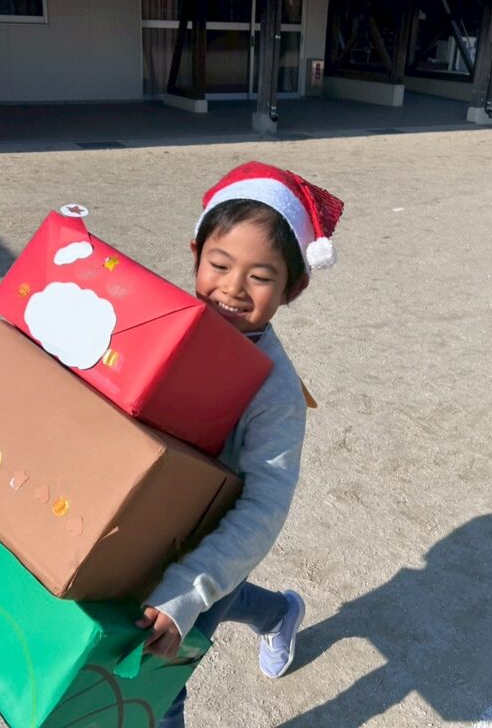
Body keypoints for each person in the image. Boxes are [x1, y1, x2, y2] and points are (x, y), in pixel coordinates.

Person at [134, 161, 345, 728]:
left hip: (209, 544)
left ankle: (247, 607)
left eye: (261, 276)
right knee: (226, 595)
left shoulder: (275, 393)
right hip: (141, 529)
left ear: (293, 287)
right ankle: (279, 613)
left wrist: (187, 590)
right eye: (220, 265)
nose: (231, 288)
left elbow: (263, 506)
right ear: (195, 255)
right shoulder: (157, 329)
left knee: (157, 683)